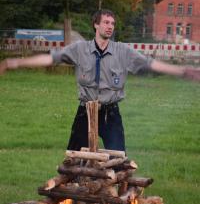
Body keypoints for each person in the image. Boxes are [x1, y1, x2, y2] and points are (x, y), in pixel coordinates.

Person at [0, 9, 200, 152]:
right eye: (106, 22)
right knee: (73, 161)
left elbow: (151, 64)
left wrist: (183, 71)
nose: (110, 26)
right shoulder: (79, 49)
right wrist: (15, 62)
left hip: (110, 114)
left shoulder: (122, 51)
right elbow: (50, 58)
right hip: (85, 112)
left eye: (112, 23)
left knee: (119, 162)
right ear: (96, 24)